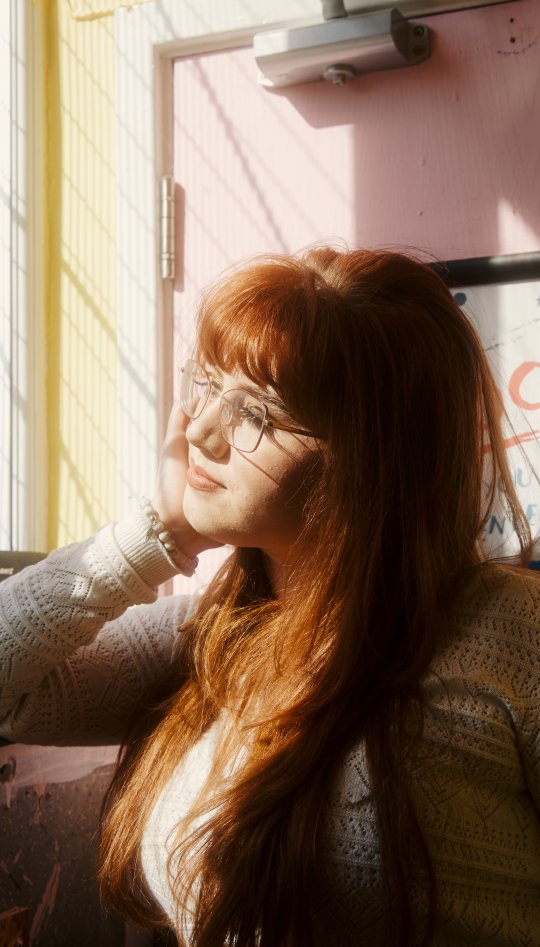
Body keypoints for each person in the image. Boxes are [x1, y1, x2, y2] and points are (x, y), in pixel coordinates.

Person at [0, 247, 539, 947]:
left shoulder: (514, 631)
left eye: (253, 411)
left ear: (368, 459)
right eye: (207, 382)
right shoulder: (213, 636)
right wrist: (154, 531)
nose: (198, 431)